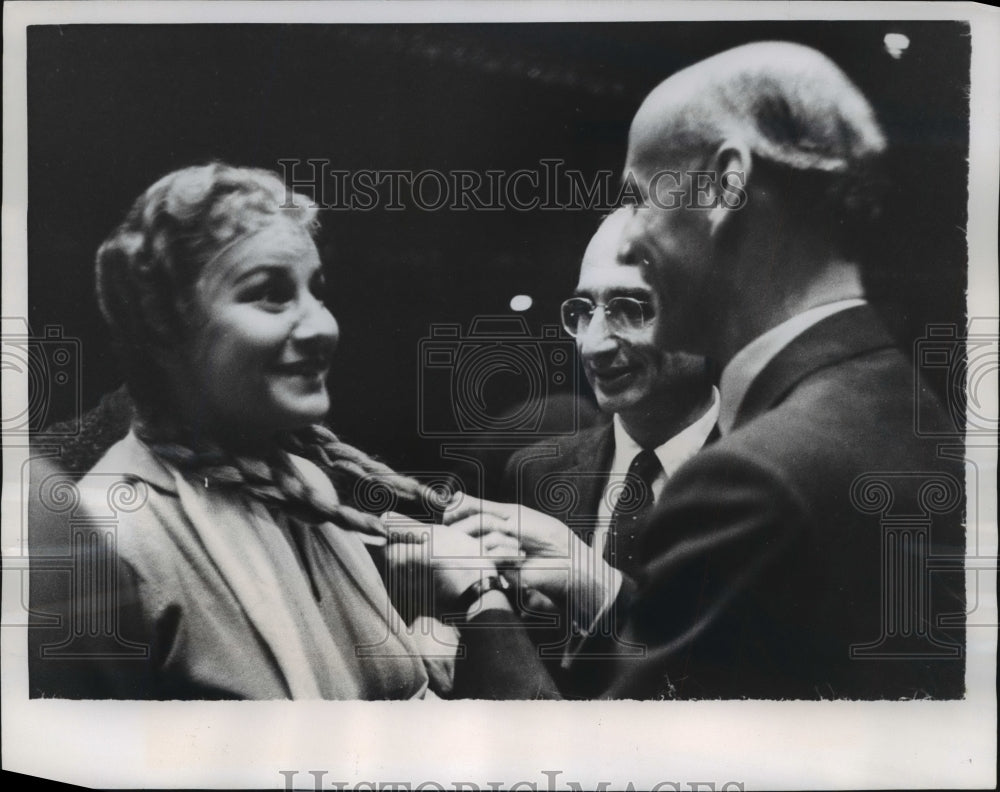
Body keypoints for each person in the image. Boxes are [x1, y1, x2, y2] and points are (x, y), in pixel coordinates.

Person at [431, 41, 966, 699]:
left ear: (724, 183)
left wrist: (481, 598)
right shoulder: (901, 404)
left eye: (637, 197)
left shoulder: (755, 477)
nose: (628, 240)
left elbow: (614, 764)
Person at [29, 162, 536, 699]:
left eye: (316, 290)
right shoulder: (112, 537)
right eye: (270, 293)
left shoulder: (306, 487)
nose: (322, 326)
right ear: (165, 324)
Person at [496, 207, 718, 697]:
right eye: (582, 312)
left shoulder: (769, 483)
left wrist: (598, 591)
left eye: (630, 308)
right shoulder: (535, 473)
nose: (593, 346)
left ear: (710, 316)